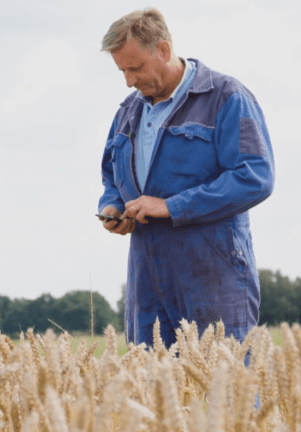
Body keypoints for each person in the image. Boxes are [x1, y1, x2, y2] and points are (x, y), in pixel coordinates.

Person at [97, 8, 274, 348]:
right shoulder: (127, 112)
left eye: (135, 68)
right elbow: (110, 176)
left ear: (163, 51)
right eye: (122, 70)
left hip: (213, 276)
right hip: (145, 280)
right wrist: (112, 206)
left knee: (225, 390)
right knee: (152, 393)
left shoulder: (226, 97)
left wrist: (172, 206)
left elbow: (256, 176)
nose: (129, 80)